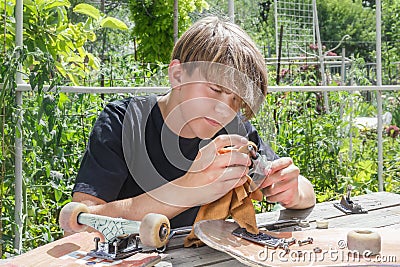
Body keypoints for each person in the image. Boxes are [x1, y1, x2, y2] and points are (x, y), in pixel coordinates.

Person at [71, 16, 315, 229]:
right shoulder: (124, 122)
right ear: (177, 74)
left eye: (237, 100)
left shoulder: (235, 132)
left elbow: (304, 191)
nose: (224, 110)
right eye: (215, 89)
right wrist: (188, 190)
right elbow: (79, 223)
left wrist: (292, 190)